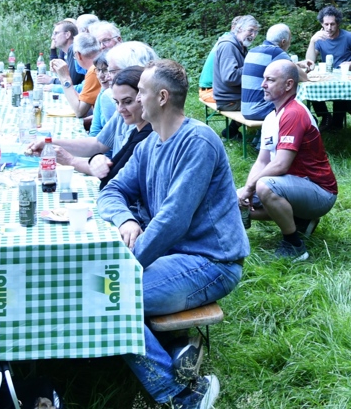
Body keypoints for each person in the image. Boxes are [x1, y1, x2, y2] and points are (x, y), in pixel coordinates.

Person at [97, 59, 249, 409]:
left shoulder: (198, 141)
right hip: (172, 257)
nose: (136, 99)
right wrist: (125, 219)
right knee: (101, 290)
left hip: (212, 262)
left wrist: (128, 264)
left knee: (109, 298)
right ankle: (177, 351)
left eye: (141, 92)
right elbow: (111, 191)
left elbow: (173, 220)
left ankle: (183, 395)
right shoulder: (148, 145)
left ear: (162, 97)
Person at [238, 60, 337, 261]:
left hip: (320, 192)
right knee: (232, 201)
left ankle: (294, 245)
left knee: (265, 186)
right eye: (264, 79)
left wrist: (250, 188)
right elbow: (262, 161)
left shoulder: (294, 113)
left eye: (270, 80)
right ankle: (302, 221)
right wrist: (245, 194)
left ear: (288, 85)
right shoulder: (270, 118)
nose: (263, 85)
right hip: (292, 185)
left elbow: (280, 164)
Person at [30, 42, 160, 177]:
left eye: (111, 71)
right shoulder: (122, 106)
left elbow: (117, 170)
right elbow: (98, 143)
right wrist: (49, 143)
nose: (107, 76)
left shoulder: (143, 120)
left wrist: (71, 160)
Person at [304, 5, 351, 131]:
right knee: (312, 89)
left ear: (338, 23)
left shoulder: (347, 36)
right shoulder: (319, 38)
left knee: (341, 98)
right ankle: (326, 117)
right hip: (328, 77)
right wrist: (312, 41)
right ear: (322, 24)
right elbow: (310, 62)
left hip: (347, 79)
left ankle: (336, 125)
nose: (329, 28)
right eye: (326, 24)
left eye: (332, 24)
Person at [93, 66, 153, 188]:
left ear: (143, 98)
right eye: (117, 102)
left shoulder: (148, 134)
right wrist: (95, 159)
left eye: (128, 101)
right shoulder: (138, 130)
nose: (120, 109)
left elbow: (110, 181)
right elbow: (111, 170)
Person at [241, 23, 307, 121]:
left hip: (245, 109)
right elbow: (302, 77)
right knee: (289, 88)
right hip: (260, 110)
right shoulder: (276, 52)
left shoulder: (253, 50)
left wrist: (297, 64)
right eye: (289, 41)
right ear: (283, 42)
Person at [213, 15, 260, 139]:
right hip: (228, 100)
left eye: (256, 32)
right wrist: (253, 67)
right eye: (250, 30)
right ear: (239, 29)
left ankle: (231, 131)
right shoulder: (228, 46)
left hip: (233, 96)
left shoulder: (240, 45)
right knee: (270, 102)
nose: (253, 35)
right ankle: (262, 139)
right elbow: (230, 77)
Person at [51, 31, 103, 118]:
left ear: (78, 55)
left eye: (74, 57)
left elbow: (79, 111)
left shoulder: (94, 70)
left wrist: (65, 78)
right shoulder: (101, 64)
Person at [197, 16, 243, 104]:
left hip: (213, 89)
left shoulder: (227, 40)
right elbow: (230, 77)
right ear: (233, 28)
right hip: (210, 91)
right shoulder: (228, 44)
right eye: (241, 29)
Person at [39, 19, 83, 85]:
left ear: (67, 34)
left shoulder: (74, 49)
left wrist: (52, 80)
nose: (52, 37)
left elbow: (71, 82)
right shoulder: (68, 51)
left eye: (56, 33)